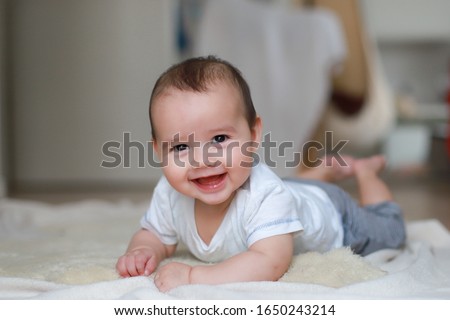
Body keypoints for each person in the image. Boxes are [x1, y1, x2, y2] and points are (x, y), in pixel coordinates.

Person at [116, 56, 405, 292]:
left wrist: (194, 277)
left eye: (219, 139)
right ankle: (322, 172)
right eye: (180, 146)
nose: (203, 159)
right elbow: (154, 234)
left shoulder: (265, 193)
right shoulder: (169, 193)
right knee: (286, 191)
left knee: (391, 229)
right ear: (157, 150)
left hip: (336, 215)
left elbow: (270, 261)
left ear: (253, 135)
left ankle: (366, 173)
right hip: (290, 193)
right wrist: (143, 251)